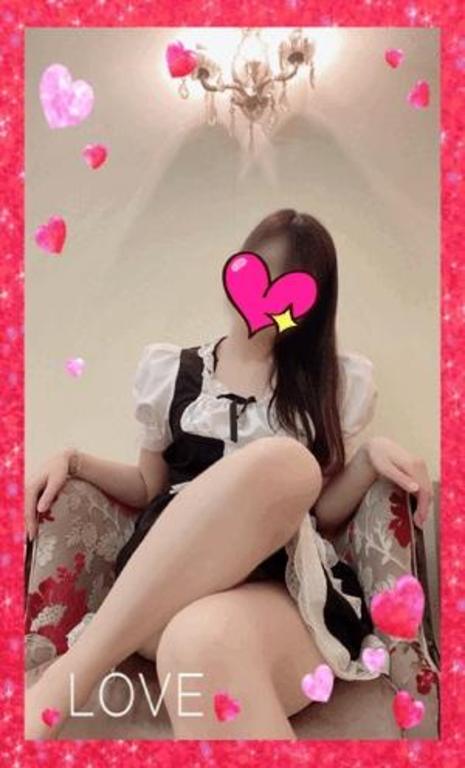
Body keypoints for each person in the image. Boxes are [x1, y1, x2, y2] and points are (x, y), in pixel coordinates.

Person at [25, 208, 433, 739]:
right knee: (285, 464)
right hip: (168, 586)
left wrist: (369, 456)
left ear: (309, 309)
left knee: (201, 642)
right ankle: (71, 677)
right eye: (258, 281)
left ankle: (65, 682)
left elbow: (321, 512)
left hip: (279, 588)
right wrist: (75, 460)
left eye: (289, 297)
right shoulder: (172, 372)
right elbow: (147, 487)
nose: (264, 308)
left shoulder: (328, 385)